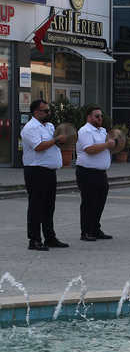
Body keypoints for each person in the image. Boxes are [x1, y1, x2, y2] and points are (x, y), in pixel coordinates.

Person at [21, 100, 69, 251]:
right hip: (36, 171)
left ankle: (50, 237)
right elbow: (38, 146)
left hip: (49, 171)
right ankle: (34, 240)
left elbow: (55, 144)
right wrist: (56, 140)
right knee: (36, 206)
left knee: (49, 206)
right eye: (46, 111)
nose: (49, 113)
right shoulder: (30, 128)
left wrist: (62, 139)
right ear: (36, 112)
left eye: (49, 110)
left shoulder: (49, 126)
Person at [76, 106, 116, 242]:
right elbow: (89, 149)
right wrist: (107, 145)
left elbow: (106, 149)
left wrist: (114, 145)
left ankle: (95, 229)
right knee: (89, 203)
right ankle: (86, 231)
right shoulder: (85, 131)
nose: (100, 118)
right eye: (97, 116)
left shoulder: (103, 131)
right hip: (88, 172)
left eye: (101, 116)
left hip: (101, 173)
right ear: (89, 117)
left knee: (99, 202)